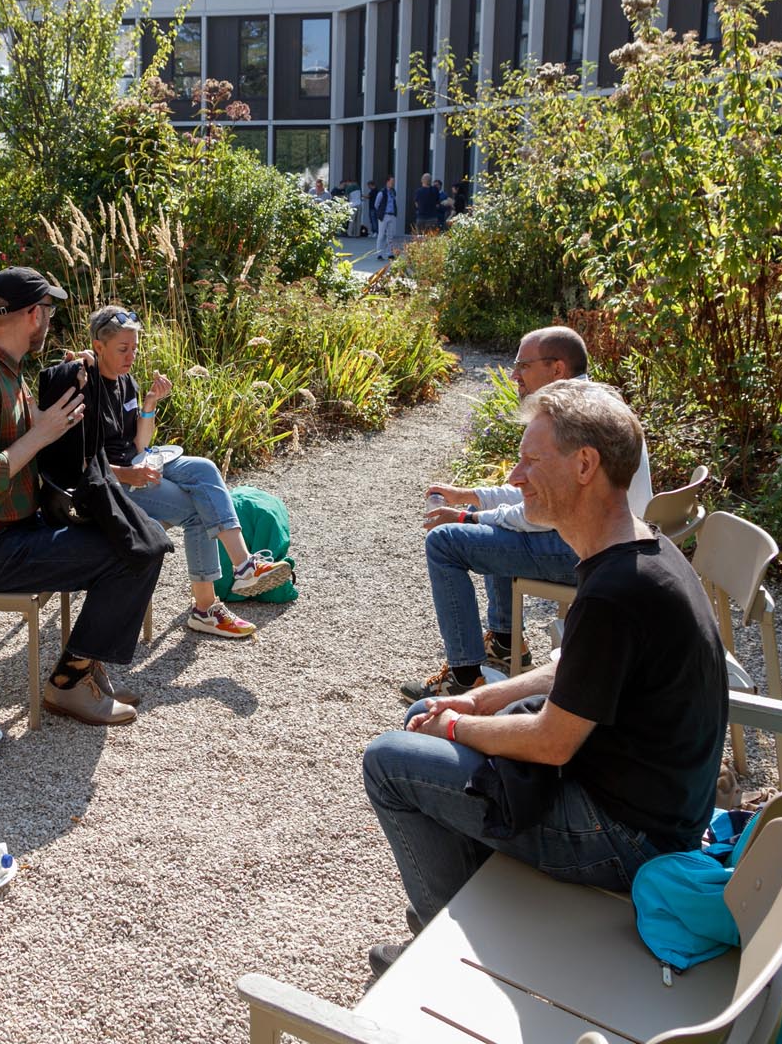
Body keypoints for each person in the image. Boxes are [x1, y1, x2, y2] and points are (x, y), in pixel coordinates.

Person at [362, 379, 725, 971]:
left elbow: (553, 744)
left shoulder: (617, 591)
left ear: (585, 465)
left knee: (388, 761)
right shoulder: (639, 550)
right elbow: (566, 668)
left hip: (631, 838)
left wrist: (454, 728)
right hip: (650, 804)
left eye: (532, 460)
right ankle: (469, 915)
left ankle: (442, 952)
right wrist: (478, 703)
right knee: (419, 720)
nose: (514, 477)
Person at [0, 268, 165, 725]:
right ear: (30, 314)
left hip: (14, 530)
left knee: (143, 539)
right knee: (131, 554)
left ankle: (86, 668)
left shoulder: (7, 372)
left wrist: (70, 376)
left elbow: (43, 435)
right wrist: (39, 434)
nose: (49, 319)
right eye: (48, 311)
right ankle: (68, 682)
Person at [403, 325, 653, 700]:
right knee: (494, 530)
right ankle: (505, 643)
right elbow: (536, 493)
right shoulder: (592, 403)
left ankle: (465, 675)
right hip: (614, 540)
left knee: (445, 542)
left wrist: (468, 517)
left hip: (591, 551)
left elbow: (532, 515)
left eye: (523, 365)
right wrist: (470, 495)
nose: (514, 375)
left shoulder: (572, 420)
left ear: (557, 369)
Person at [84, 305, 293, 638]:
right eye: (123, 349)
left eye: (135, 349)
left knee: (204, 469)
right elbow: (81, 461)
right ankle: (206, 608)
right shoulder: (86, 387)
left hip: (139, 464)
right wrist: (128, 475)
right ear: (98, 346)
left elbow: (139, 444)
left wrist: (149, 404)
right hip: (112, 484)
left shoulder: (127, 382)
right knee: (197, 510)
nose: (131, 357)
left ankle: (244, 565)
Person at [372, 176, 400, 259]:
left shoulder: (393, 192)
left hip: (392, 215)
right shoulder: (382, 192)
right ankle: (379, 253)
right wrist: (381, 212)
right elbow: (376, 204)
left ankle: (389, 253)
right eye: (391, 182)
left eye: (393, 182)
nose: (393, 183)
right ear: (387, 182)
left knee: (390, 235)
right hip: (384, 215)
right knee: (381, 235)